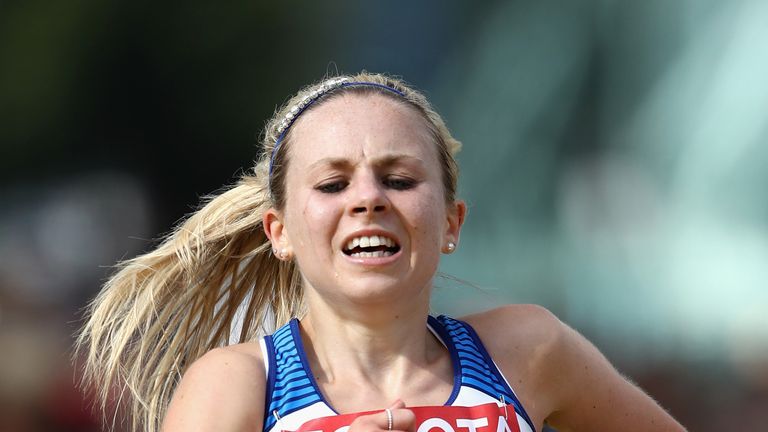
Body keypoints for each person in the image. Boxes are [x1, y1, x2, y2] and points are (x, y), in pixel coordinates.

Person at [76, 72, 686, 432]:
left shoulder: (529, 349)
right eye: (332, 184)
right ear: (279, 231)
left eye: (398, 179)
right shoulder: (241, 383)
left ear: (451, 222)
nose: (367, 199)